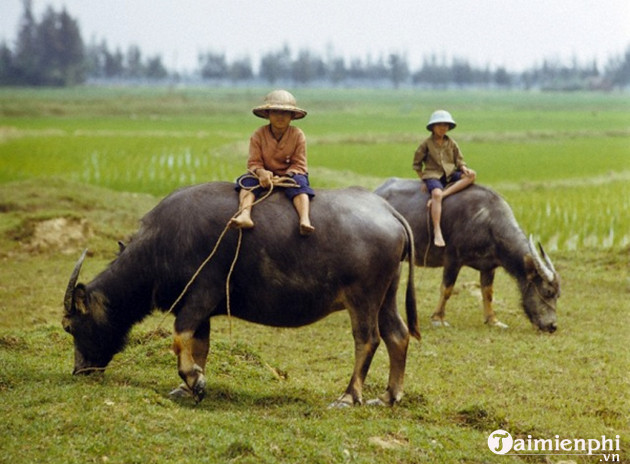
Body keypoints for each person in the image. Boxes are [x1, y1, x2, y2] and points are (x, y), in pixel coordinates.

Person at [229, 89, 315, 236]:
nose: (280, 117)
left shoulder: (297, 135)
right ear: (268, 114)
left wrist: (285, 176)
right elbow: (254, 162)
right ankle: (245, 214)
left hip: (290, 177)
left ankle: (304, 219)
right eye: (275, 112)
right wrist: (262, 173)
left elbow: (299, 163)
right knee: (246, 182)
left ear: (292, 116)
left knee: (300, 185)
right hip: (263, 177)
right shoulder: (258, 135)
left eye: (285, 113)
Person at [412, 110, 476, 247]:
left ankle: (444, 195)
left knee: (472, 175)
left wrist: (464, 168)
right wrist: (423, 179)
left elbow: (459, 160)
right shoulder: (426, 144)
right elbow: (417, 164)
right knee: (436, 193)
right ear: (433, 127)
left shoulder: (452, 143)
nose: (443, 128)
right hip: (433, 174)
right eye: (439, 125)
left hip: (450, 173)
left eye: (445, 125)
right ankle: (437, 230)